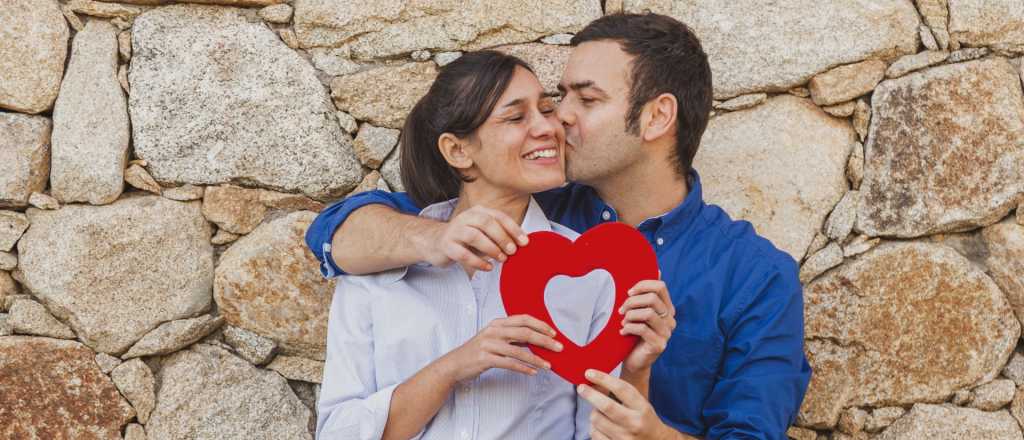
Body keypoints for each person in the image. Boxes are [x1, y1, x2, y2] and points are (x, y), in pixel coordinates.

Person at [308, 13, 812, 440]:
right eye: (559, 97)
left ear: (657, 118)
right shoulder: (514, 201)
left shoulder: (756, 276)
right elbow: (335, 232)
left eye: (586, 101)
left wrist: (653, 432)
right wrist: (430, 239)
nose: (558, 119)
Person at [315, 50, 676, 440]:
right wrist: (454, 367)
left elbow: (597, 435)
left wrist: (637, 370)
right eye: (517, 117)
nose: (548, 128)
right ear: (458, 151)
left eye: (547, 109)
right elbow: (338, 432)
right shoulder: (379, 263)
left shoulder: (594, 276)